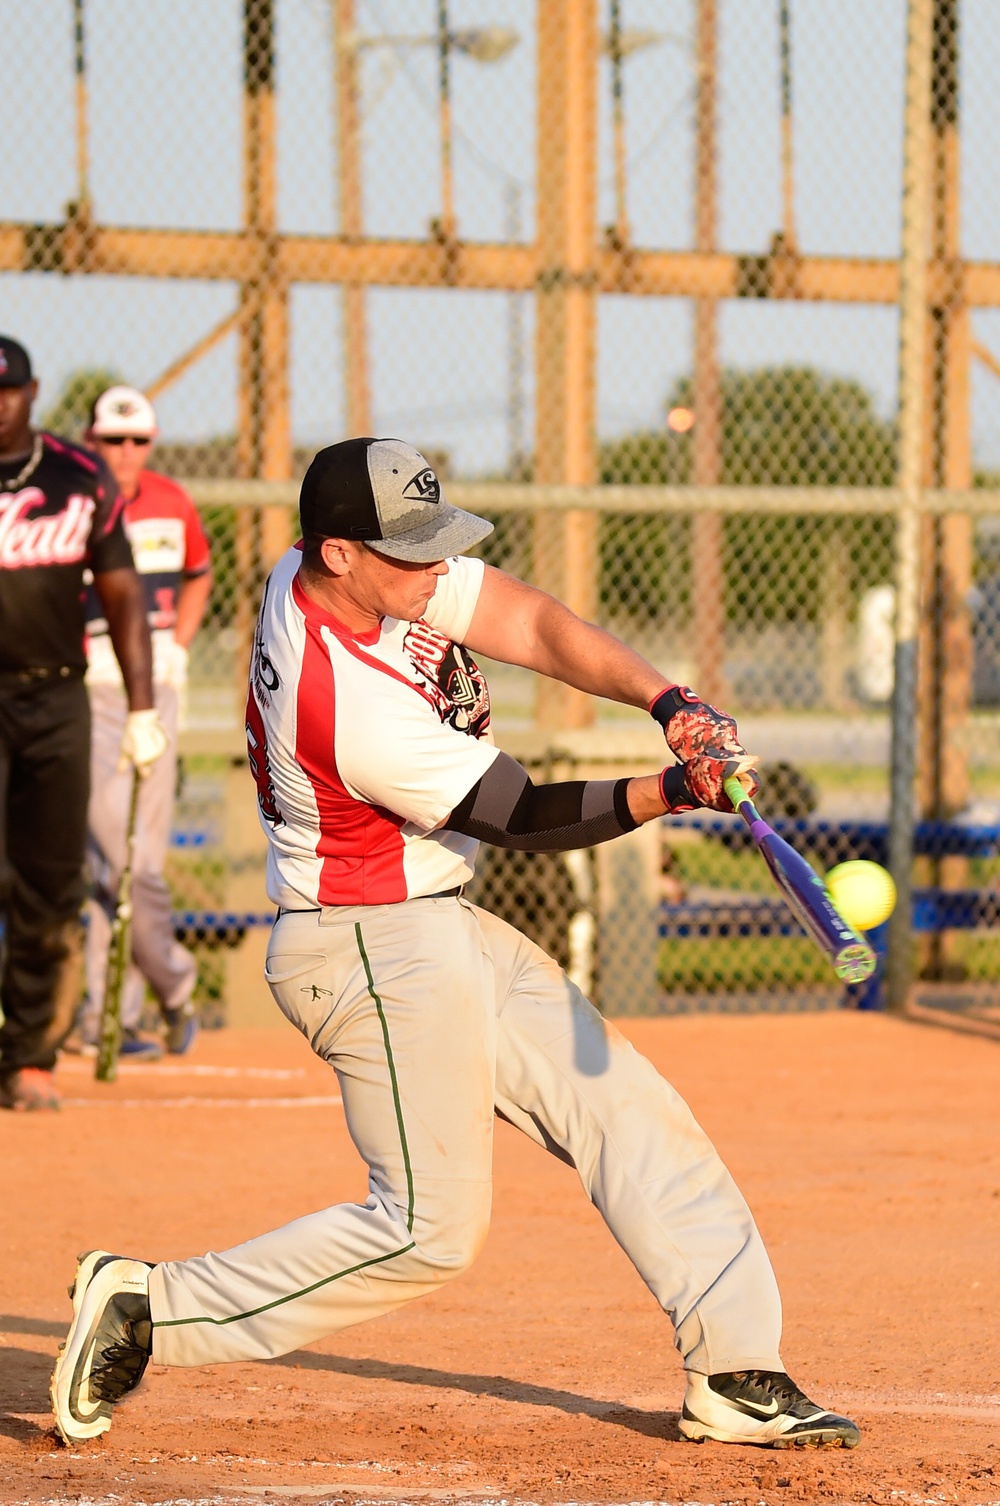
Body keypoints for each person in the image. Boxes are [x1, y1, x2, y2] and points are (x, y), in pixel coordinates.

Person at [51, 438, 860, 1451]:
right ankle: (149, 1308)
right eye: (414, 554)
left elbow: (523, 619)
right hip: (368, 950)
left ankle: (738, 1370)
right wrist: (669, 791)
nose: (438, 573)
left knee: (625, 1106)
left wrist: (670, 704)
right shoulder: (342, 698)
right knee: (428, 1230)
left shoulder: (349, 575)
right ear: (339, 553)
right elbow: (519, 815)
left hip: (436, 923)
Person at [0, 337, 167, 1111]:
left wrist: (141, 708)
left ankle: (29, 1053)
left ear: (32, 395)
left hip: (55, 700)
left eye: (9, 392)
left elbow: (125, 591)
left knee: (48, 881)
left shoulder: (79, 476)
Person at [73, 386, 212, 1061]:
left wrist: (179, 650)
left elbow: (199, 574)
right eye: (112, 440)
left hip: (155, 685)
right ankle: (176, 986)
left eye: (138, 440)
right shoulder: (72, 503)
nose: (127, 453)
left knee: (134, 860)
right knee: (115, 853)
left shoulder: (171, 500)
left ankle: (108, 1018)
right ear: (90, 440)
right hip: (88, 684)